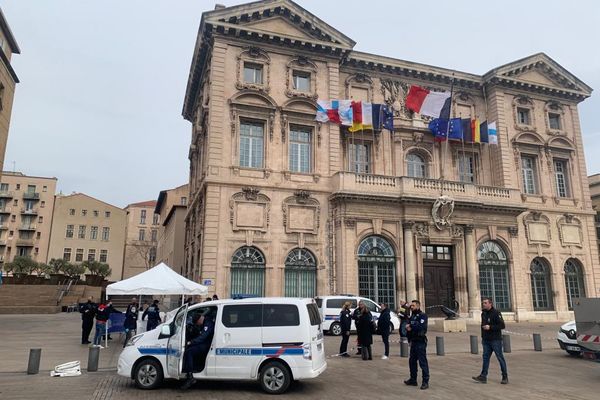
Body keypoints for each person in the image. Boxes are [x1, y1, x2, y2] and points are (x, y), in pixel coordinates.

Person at [473, 297, 508, 384]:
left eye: (485, 303)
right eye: (483, 303)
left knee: (500, 357)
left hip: (495, 340)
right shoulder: (483, 313)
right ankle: (483, 376)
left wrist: (490, 327)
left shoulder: (496, 313)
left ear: (490, 304)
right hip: (486, 340)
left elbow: (502, 325)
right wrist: (483, 336)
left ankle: (504, 376)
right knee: (485, 358)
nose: (483, 304)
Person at [181, 310, 216, 390]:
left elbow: (202, 337)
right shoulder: (205, 322)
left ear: (200, 319)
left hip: (207, 345)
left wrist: (191, 342)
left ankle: (190, 377)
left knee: (189, 352)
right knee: (189, 349)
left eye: (197, 323)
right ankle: (190, 369)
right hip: (204, 343)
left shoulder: (208, 323)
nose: (197, 325)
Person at [404, 300, 429, 390]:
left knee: (423, 362)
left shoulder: (423, 316)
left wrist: (411, 327)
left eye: (413, 306)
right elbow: (408, 326)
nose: (411, 307)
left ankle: (425, 382)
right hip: (413, 342)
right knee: (412, 362)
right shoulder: (412, 316)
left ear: (418, 306)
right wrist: (409, 338)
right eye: (411, 306)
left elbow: (422, 327)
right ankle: (413, 379)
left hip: (420, 342)